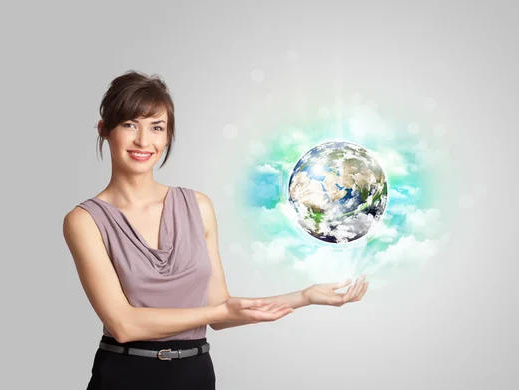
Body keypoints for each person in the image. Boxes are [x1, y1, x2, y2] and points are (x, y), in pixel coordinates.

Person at [62, 70, 369, 390]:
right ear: (104, 130)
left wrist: (304, 297)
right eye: (129, 125)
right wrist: (215, 310)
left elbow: (221, 314)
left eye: (157, 127)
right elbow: (124, 324)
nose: (143, 140)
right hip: (124, 377)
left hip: (195, 375)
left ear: (168, 136)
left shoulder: (198, 207)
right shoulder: (85, 220)